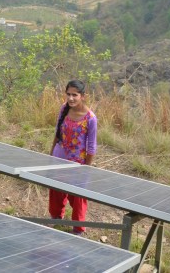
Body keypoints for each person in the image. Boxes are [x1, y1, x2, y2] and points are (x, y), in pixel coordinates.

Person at [49, 79, 97, 235]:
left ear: (83, 96)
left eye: (74, 95)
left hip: (77, 162)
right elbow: (57, 133)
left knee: (78, 197)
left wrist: (87, 168)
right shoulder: (64, 109)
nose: (70, 98)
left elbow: (91, 147)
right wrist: (51, 155)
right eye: (68, 94)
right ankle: (56, 218)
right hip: (59, 156)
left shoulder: (90, 118)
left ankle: (78, 229)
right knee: (56, 190)